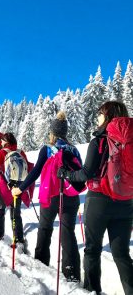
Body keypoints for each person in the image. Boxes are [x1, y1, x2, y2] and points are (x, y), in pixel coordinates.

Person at [57, 101, 133, 294]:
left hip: (99, 201)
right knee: (122, 254)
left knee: (92, 250)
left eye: (100, 112)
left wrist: (67, 174)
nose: (97, 116)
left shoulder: (99, 140)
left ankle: (92, 291)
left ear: (107, 115)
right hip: (126, 202)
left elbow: (87, 173)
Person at [12, 111, 82, 282]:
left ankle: (41, 264)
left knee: (45, 229)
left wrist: (20, 189)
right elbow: (81, 173)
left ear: (52, 133)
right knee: (68, 232)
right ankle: (71, 273)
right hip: (70, 196)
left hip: (51, 195)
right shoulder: (74, 150)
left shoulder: (48, 149)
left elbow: (35, 172)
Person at [0, 133, 28, 251]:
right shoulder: (20, 152)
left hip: (4, 185)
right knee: (16, 213)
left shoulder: (2, 152)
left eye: (2, 140)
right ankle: (19, 239)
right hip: (18, 187)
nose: (1, 142)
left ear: (5, 142)